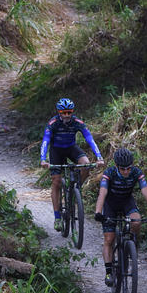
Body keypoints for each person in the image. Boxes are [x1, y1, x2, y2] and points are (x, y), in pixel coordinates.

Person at [94, 148, 147, 287]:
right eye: (123, 169)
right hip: (110, 204)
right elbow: (102, 194)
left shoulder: (137, 173)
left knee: (137, 221)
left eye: (129, 168)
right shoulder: (109, 173)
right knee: (109, 238)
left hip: (127, 202)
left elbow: (146, 193)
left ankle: (132, 246)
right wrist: (98, 212)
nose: (127, 172)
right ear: (117, 167)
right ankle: (109, 271)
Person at [39, 97, 103, 231]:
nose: (67, 115)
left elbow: (89, 139)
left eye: (69, 112)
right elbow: (45, 140)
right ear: (59, 112)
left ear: (72, 112)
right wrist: (43, 159)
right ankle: (57, 217)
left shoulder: (77, 122)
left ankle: (75, 189)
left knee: (86, 164)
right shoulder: (53, 123)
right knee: (56, 182)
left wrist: (99, 157)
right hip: (56, 151)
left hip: (71, 148)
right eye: (64, 113)